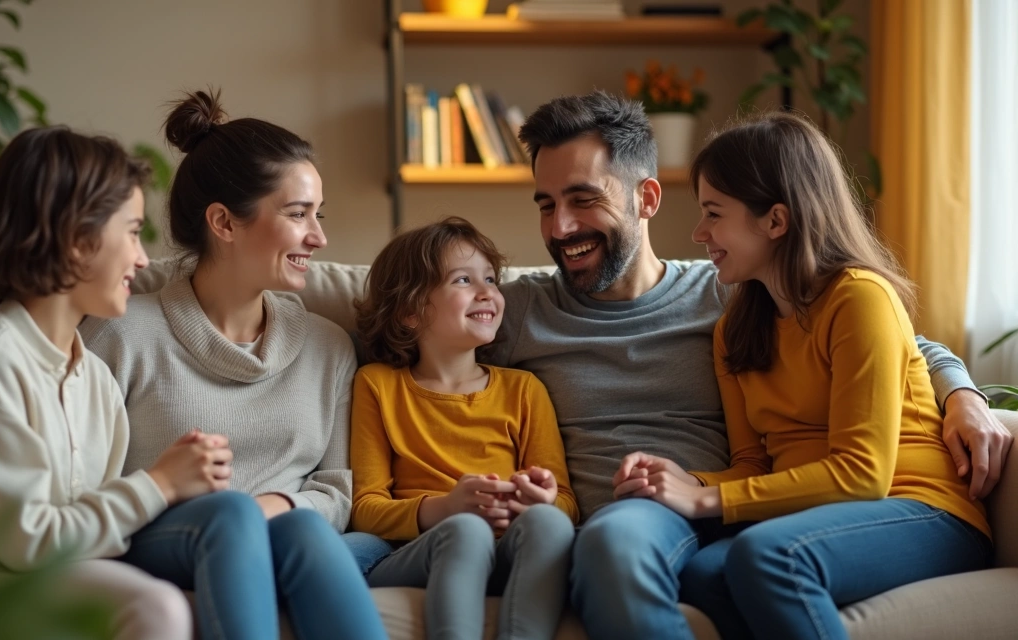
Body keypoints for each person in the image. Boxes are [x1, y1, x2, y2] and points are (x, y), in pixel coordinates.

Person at [486, 90, 1012, 638]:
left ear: (646, 199)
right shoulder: (525, 309)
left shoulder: (731, 291)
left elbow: (908, 349)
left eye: (582, 199)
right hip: (705, 506)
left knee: (707, 553)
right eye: (546, 205)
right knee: (708, 577)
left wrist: (965, 396)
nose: (560, 228)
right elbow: (411, 355)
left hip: (847, 503)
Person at [0, 89, 388, 640]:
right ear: (224, 223)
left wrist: (270, 505)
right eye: (298, 214)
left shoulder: (83, 369)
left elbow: (339, 491)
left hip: (261, 533)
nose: (320, 235)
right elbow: (33, 342)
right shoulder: (101, 339)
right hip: (106, 544)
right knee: (233, 519)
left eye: (318, 214)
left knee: (302, 531)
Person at [612, 111, 992, 640]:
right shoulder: (737, 330)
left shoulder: (859, 299)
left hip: (920, 510)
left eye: (713, 214)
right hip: (817, 516)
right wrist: (678, 481)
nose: (699, 233)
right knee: (702, 572)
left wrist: (705, 500)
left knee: (768, 556)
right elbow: (753, 464)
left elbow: (863, 474)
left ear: (775, 220)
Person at [0, 126, 202, 639]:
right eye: (131, 231)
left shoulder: (97, 380)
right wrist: (161, 483)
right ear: (77, 241)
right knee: (157, 608)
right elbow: (30, 539)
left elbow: (86, 532)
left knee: (158, 604)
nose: (143, 258)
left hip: (32, 575)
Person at [351, 217, 579, 640]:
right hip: (420, 551)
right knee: (466, 528)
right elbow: (365, 508)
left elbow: (565, 502)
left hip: (508, 549)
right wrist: (447, 507)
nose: (487, 292)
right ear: (409, 311)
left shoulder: (523, 390)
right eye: (462, 279)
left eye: (490, 278)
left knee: (550, 524)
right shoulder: (378, 385)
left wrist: (539, 500)